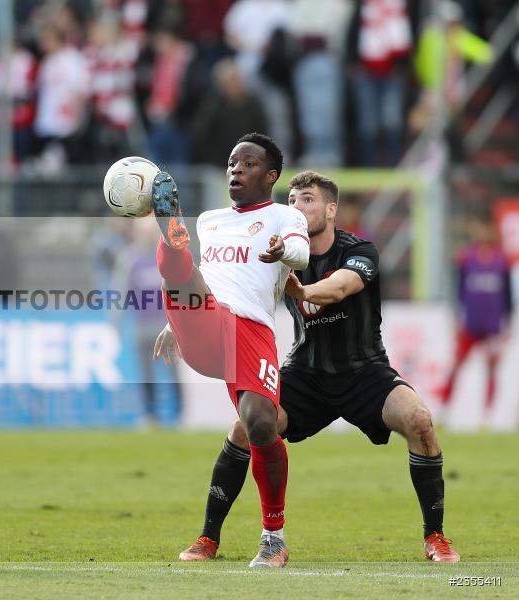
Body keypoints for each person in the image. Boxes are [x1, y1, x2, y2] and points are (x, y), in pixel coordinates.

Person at [156, 170, 460, 563]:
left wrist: (304, 291)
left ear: (331, 209)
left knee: (419, 420)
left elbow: (342, 286)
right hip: (306, 372)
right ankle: (208, 538)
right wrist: (175, 322)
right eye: (294, 200)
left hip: (365, 372)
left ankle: (435, 537)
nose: (298, 206)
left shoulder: (359, 250)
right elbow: (224, 284)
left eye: (309, 200)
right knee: (246, 428)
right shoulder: (278, 254)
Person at [149, 132, 310, 567]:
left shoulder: (284, 216)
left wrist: (284, 250)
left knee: (260, 424)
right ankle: (169, 229)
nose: (235, 169)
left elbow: (301, 251)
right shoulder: (211, 220)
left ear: (271, 175)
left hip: (251, 329)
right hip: (207, 319)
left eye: (248, 163)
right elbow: (208, 275)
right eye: (231, 163)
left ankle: (272, 538)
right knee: (181, 267)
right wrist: (172, 321)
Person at [440, 216, 512, 412]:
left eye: (486, 229)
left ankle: (488, 413)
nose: (482, 233)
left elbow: (508, 295)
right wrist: (456, 317)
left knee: (492, 368)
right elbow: (458, 290)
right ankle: (444, 408)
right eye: (478, 229)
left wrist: (509, 323)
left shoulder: (501, 259)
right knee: (456, 365)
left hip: (492, 325)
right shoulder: (466, 257)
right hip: (470, 323)